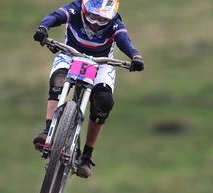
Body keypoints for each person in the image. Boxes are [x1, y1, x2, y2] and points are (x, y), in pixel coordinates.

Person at [32, 0, 144, 178]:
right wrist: (43, 28)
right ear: (85, 9)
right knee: (58, 81)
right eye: (93, 16)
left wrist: (135, 56)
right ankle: (48, 131)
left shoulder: (115, 23)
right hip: (71, 54)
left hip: (101, 64)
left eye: (103, 19)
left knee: (104, 102)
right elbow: (55, 16)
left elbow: (124, 40)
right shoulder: (75, 9)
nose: (96, 23)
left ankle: (86, 156)